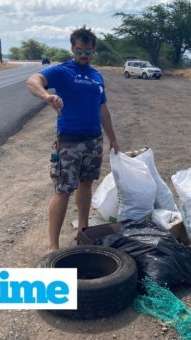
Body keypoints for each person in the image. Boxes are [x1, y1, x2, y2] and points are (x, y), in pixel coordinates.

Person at [26, 26, 120, 252]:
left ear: (93, 51)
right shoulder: (63, 71)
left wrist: (113, 140)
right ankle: (53, 246)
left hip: (93, 139)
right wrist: (47, 96)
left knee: (86, 184)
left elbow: (102, 109)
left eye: (88, 51)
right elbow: (32, 81)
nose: (83, 56)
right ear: (72, 49)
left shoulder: (97, 76)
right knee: (63, 190)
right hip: (69, 140)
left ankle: (83, 231)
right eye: (79, 51)